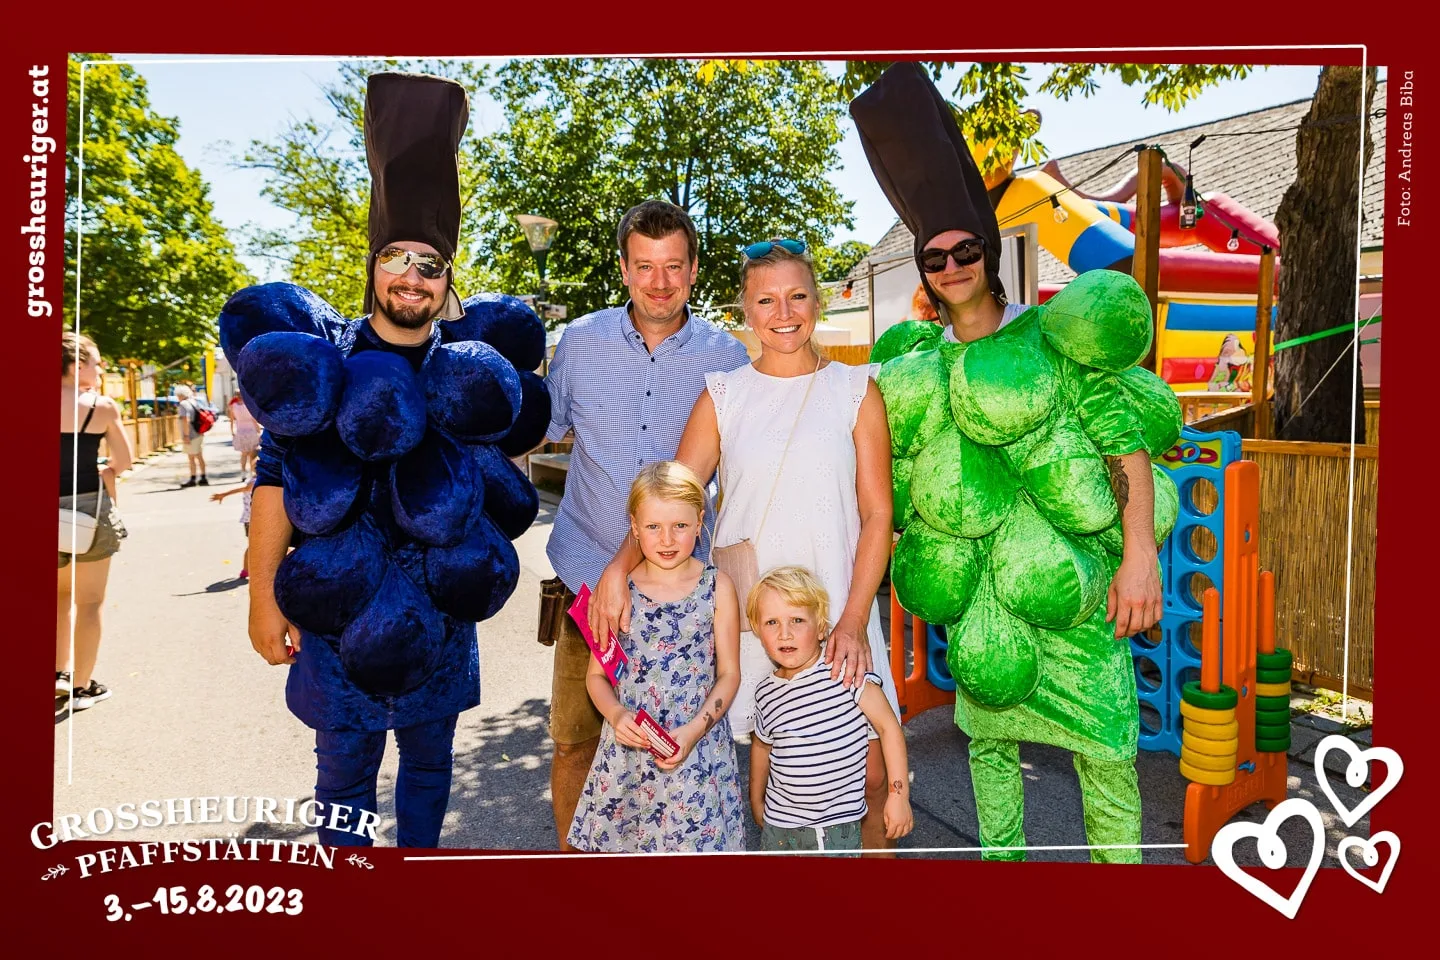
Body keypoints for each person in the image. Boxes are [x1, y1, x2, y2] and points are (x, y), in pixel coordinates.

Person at [851, 62, 1175, 862]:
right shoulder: (917, 366)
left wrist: (1139, 556)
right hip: (986, 613)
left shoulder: (1051, 335)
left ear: (988, 251)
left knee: (1107, 758)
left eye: (965, 249)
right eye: (935, 258)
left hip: (1078, 596)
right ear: (924, 274)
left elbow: (1124, 445)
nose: (952, 265)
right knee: (990, 758)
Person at [243, 73, 513, 848]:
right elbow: (273, 484)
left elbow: (496, 482)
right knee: (343, 782)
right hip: (335, 617)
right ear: (372, 265)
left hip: (439, 620)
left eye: (430, 263)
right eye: (397, 256)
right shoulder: (321, 362)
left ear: (447, 280)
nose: (411, 277)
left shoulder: (469, 373)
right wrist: (262, 597)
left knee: (429, 771)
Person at [593, 236, 903, 853]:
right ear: (745, 310)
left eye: (797, 297)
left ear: (818, 302)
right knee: (771, 766)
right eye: (766, 300)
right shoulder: (724, 394)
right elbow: (672, 498)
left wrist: (851, 620)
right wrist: (615, 572)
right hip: (754, 613)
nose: (783, 313)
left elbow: (877, 514)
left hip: (837, 608)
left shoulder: (856, 389)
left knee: (867, 773)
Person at [542, 199, 750, 851]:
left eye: (673, 266)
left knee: (681, 749)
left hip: (683, 591)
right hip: (586, 580)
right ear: (624, 269)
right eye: (644, 266)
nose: (659, 283)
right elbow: (538, 432)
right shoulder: (580, 343)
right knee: (577, 740)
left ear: (694, 269)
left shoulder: (727, 359)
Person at [567, 462, 745, 852]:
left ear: (699, 523)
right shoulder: (617, 592)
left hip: (697, 749)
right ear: (634, 527)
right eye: (653, 526)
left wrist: (694, 731)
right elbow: (596, 676)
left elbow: (730, 673)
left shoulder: (718, 587)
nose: (667, 539)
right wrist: (617, 715)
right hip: (629, 755)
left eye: (680, 525)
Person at [748, 566, 912, 855]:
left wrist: (898, 795)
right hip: (780, 825)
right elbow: (762, 747)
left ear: (822, 628)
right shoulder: (765, 692)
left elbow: (889, 727)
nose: (785, 634)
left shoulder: (845, 671)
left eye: (797, 620)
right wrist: (756, 799)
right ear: (758, 630)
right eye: (771, 622)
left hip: (837, 826)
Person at [59, 331, 134, 711]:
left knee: (56, 598)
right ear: (76, 366)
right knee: (89, 602)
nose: (101, 368)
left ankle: (57, 673)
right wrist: (108, 470)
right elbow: (124, 461)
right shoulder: (100, 407)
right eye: (96, 362)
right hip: (88, 509)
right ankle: (81, 687)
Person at [210, 476, 255, 578]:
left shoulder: (253, 480)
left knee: (253, 545)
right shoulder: (254, 482)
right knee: (253, 546)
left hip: (251, 519)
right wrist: (224, 494)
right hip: (251, 520)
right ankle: (245, 570)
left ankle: (246, 570)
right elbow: (242, 489)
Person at [174, 385, 208, 487]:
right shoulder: (194, 402)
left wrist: (186, 435)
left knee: (191, 458)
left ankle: (193, 478)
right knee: (199, 456)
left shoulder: (183, 404)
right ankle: (203, 477)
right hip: (199, 432)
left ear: (180, 395)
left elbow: (185, 419)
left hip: (191, 434)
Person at [228, 390, 262, 477]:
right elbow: (253, 420)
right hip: (251, 431)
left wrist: (232, 431)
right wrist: (258, 430)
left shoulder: (233, 406)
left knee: (243, 454)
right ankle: (252, 472)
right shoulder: (249, 406)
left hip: (241, 432)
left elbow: (231, 420)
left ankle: (243, 472)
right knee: (252, 454)